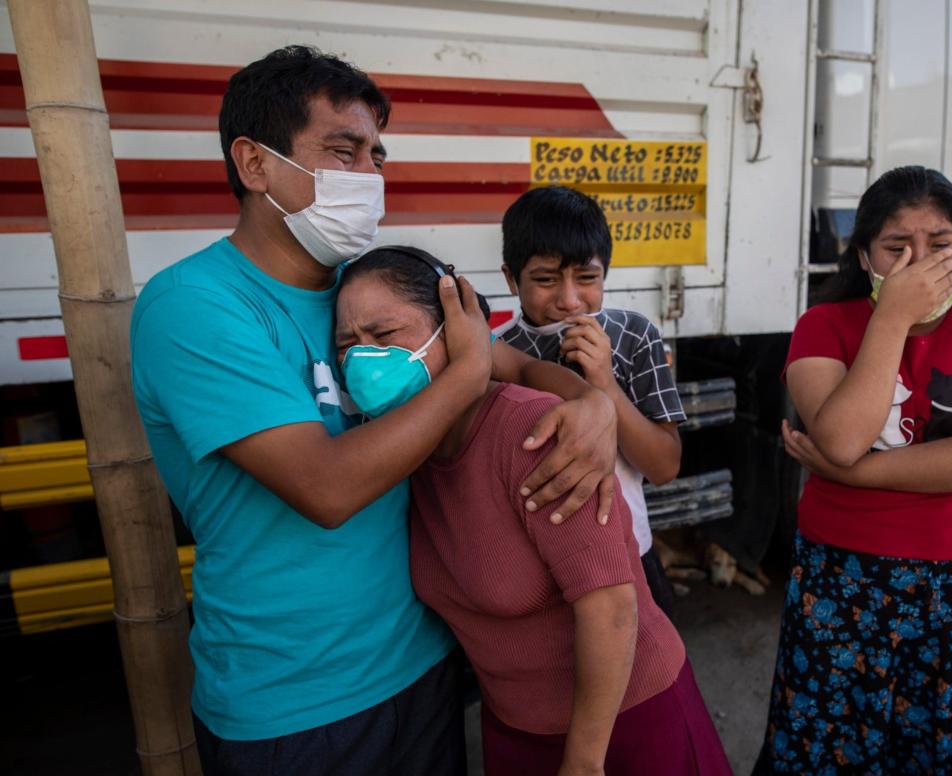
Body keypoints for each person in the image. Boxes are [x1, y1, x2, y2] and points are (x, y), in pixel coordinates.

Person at [130, 46, 619, 775]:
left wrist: (594, 406)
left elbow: (519, 366)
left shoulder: (363, 292)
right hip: (295, 704)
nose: (367, 177)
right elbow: (326, 489)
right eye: (341, 151)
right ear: (255, 164)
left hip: (422, 666)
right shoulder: (196, 307)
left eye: (375, 155)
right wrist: (464, 372)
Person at [334, 245, 731, 776]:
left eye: (384, 337)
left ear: (457, 332)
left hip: (621, 729)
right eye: (346, 344)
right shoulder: (404, 449)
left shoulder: (538, 433)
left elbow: (611, 608)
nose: (363, 359)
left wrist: (584, 764)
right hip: (514, 730)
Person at [753, 166, 952, 775]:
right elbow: (839, 435)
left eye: (938, 245)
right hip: (843, 572)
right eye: (896, 247)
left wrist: (851, 473)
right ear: (863, 255)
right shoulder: (823, 327)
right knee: (827, 739)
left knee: (935, 745)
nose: (918, 263)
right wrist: (892, 319)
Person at [493, 186, 685, 615]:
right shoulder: (498, 354)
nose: (569, 300)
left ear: (605, 274)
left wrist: (604, 382)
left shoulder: (633, 336)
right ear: (511, 278)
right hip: (537, 565)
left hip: (628, 550)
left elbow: (664, 466)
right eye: (545, 280)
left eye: (586, 278)